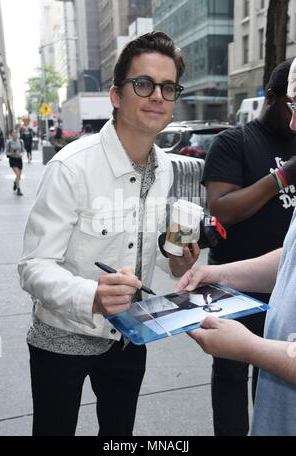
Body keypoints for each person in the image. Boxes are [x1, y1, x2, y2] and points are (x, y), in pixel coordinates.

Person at [18, 31, 199, 436]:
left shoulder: (168, 168)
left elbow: (151, 247)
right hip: (62, 338)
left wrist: (177, 260)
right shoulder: (72, 167)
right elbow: (33, 267)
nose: (157, 96)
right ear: (116, 96)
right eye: (144, 84)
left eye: (167, 87)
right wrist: (92, 296)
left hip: (129, 336)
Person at [176, 56, 296, 436]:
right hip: (241, 295)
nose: (293, 122)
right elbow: (223, 211)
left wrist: (255, 350)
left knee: (266, 371)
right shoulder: (236, 142)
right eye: (291, 106)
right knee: (231, 379)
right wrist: (217, 272)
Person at [6, 128, 24, 196]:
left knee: (19, 176)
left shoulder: (21, 141)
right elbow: (6, 152)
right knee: (18, 174)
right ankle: (18, 190)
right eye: (13, 133)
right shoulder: (9, 142)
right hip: (13, 160)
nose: (15, 134)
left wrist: (20, 154)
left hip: (19, 159)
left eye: (16, 132)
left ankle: (15, 182)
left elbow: (23, 150)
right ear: (11, 134)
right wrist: (12, 153)